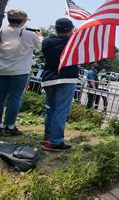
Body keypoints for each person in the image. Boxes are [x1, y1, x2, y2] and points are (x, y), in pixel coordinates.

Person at [0, 9, 42, 136]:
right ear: (23, 21)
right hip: (20, 71)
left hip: (0, 70)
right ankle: (10, 126)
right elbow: (40, 47)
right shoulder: (29, 34)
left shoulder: (0, 32)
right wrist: (40, 36)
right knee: (15, 98)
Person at [40, 18, 78, 151]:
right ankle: (56, 141)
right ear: (70, 30)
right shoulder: (73, 43)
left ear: (56, 29)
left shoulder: (47, 42)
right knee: (61, 110)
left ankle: (48, 136)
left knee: (50, 109)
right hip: (67, 78)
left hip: (49, 78)